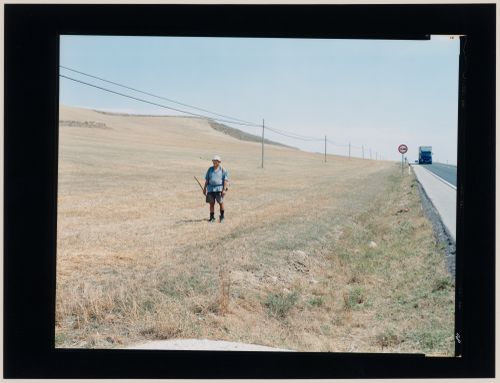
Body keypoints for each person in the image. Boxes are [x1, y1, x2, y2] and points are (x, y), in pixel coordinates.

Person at [203, 155, 229, 223]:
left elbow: (225, 180)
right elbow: (207, 179)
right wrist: (204, 188)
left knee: (221, 203)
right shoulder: (210, 169)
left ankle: (222, 217)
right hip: (210, 189)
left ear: (219, 162)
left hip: (219, 189)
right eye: (213, 161)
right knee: (211, 203)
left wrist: (224, 189)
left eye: (215, 161)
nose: (214, 162)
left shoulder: (223, 169)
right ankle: (212, 218)